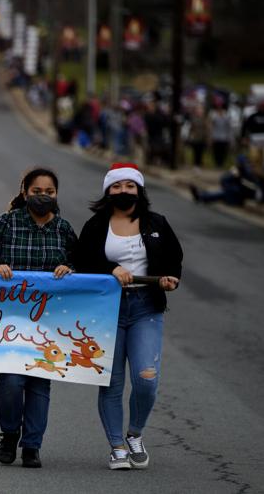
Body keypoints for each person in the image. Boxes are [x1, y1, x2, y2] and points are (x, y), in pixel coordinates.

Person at [75, 163, 182, 470]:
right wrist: (111, 269)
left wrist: (169, 278)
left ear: (139, 190)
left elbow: (174, 259)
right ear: (108, 191)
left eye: (129, 186)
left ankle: (135, 434)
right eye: (117, 187)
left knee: (146, 378)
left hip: (145, 306)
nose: (123, 192)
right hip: (107, 309)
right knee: (112, 382)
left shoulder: (156, 222)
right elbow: (82, 260)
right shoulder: (96, 225)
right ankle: (117, 446)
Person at [0, 167, 76, 468]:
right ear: (24, 192)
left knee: (39, 384)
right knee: (12, 382)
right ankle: (9, 433)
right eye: (36, 191)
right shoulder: (7, 223)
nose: (42, 197)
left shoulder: (64, 229)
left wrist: (68, 269)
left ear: (56, 196)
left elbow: (80, 266)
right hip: (10, 320)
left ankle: (32, 445)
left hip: (49, 322)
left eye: (49, 192)